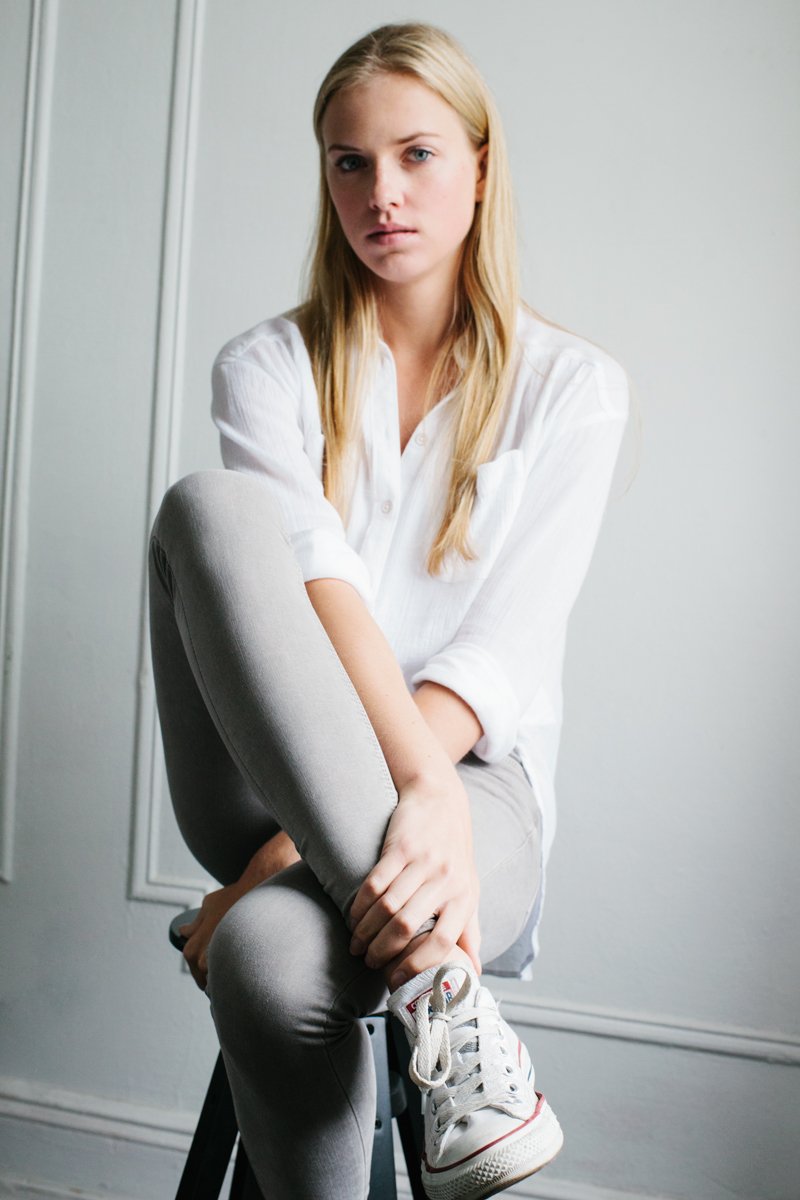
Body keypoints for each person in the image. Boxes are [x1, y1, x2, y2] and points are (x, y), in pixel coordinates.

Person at [148, 21, 629, 1200]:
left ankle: (388, 956)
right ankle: (436, 983)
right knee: (207, 510)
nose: (383, 194)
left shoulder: (574, 390)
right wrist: (387, 791)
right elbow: (314, 585)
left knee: (265, 963)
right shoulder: (263, 369)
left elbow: (505, 648)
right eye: (349, 162)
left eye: (416, 155)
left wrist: (274, 875)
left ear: (478, 163)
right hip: (267, 773)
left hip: (479, 790)